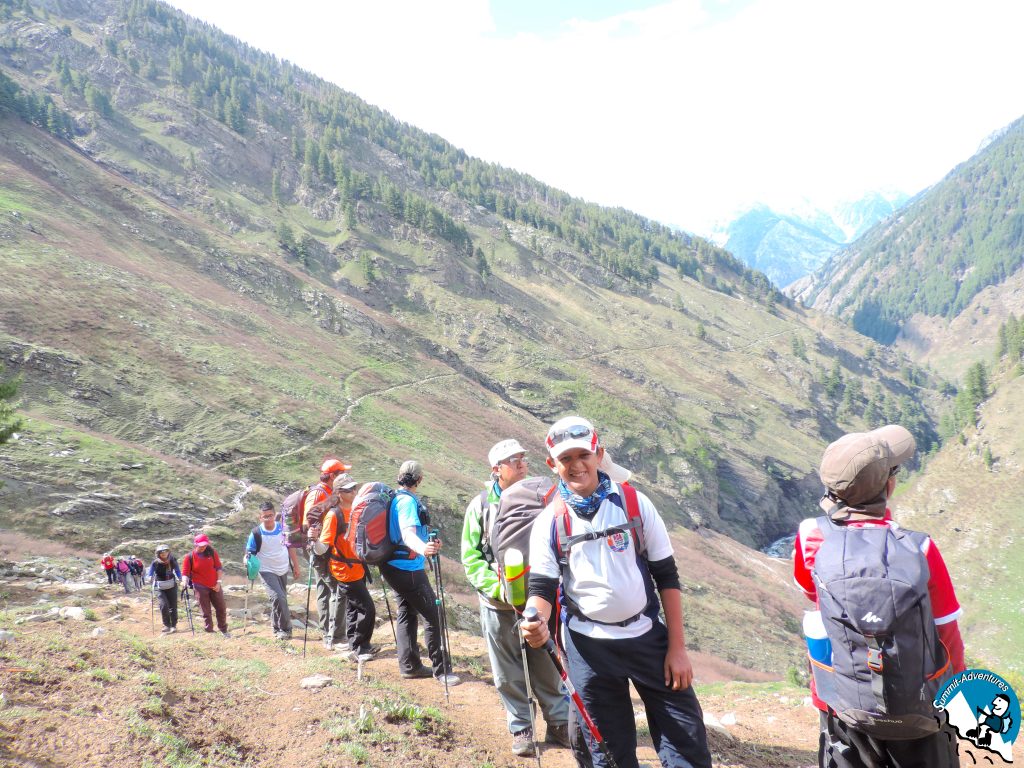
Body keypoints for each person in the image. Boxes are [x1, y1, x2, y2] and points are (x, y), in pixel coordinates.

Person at [521, 416, 711, 768]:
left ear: (599, 454)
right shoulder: (550, 520)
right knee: (607, 755)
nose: (576, 465)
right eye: (566, 459)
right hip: (588, 647)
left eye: (584, 455)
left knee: (688, 745)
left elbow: (667, 576)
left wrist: (678, 649)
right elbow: (542, 588)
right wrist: (536, 621)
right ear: (552, 464)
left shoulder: (635, 504)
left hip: (647, 638)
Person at [793, 424, 966, 768]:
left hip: (842, 703)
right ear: (889, 486)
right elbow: (947, 630)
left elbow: (813, 593)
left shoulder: (810, 535)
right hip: (919, 706)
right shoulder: (920, 547)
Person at [461, 438, 570, 756]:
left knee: (547, 663)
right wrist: (500, 590)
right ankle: (521, 728)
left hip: (540, 602)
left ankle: (559, 723)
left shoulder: (542, 500)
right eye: (514, 460)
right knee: (507, 668)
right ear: (497, 470)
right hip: (497, 604)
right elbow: (471, 558)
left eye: (523, 458)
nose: (522, 464)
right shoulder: (480, 507)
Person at [379, 460, 460, 686]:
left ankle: (410, 666)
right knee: (433, 615)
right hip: (408, 569)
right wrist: (423, 548)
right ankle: (442, 671)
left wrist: (427, 543)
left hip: (392, 566)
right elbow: (407, 534)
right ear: (419, 479)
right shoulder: (407, 503)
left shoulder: (395, 498)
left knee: (407, 612)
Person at [313, 474, 377, 661]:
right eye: (350, 489)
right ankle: (361, 647)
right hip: (343, 570)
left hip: (358, 567)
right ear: (340, 493)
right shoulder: (334, 515)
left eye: (355, 487)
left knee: (353, 608)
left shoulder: (357, 510)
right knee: (368, 608)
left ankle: (353, 644)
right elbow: (322, 547)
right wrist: (314, 540)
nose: (354, 491)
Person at [305, 457, 351, 650]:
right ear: (332, 475)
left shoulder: (327, 492)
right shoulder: (317, 494)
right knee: (333, 591)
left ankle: (330, 634)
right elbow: (308, 522)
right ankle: (333, 636)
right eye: (341, 473)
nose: (345, 476)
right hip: (320, 549)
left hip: (326, 547)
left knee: (326, 591)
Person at [245, 500, 301, 640]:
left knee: (281, 598)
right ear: (260, 517)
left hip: (283, 568)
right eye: (265, 516)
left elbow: (291, 547)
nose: (268, 519)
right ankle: (285, 629)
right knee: (278, 597)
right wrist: (247, 560)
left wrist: (296, 565)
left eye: (270, 515)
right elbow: (249, 553)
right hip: (266, 570)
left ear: (275, 514)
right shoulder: (256, 533)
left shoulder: (283, 528)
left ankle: (276, 627)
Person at [182, 533, 230, 637]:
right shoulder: (189, 557)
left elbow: (218, 568)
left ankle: (223, 629)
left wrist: (219, 583)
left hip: (215, 585)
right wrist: (184, 581)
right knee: (206, 610)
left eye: (205, 545)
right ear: (195, 544)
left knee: (221, 607)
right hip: (200, 586)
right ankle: (209, 630)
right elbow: (185, 573)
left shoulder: (212, 553)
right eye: (201, 545)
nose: (203, 547)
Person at [148, 544, 182, 634]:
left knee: (173, 606)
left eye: (165, 551)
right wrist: (149, 577)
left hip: (172, 585)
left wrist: (180, 578)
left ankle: (174, 625)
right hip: (159, 586)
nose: (164, 554)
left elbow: (177, 570)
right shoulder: (155, 562)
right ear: (158, 553)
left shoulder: (172, 560)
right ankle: (167, 625)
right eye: (161, 552)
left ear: (168, 552)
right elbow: (150, 572)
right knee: (163, 605)